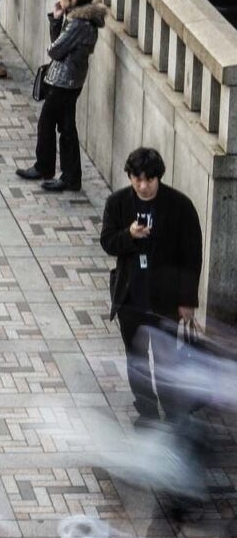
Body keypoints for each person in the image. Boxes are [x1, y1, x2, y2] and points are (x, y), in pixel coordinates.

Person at [99, 147, 202, 423]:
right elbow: (108, 241)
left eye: (149, 180)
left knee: (166, 359)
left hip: (165, 299)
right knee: (137, 359)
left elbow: (192, 257)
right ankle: (147, 411)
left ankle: (173, 411)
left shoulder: (180, 206)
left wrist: (187, 301)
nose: (143, 186)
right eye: (137, 179)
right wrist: (129, 236)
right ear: (130, 177)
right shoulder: (118, 203)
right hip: (131, 297)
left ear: (159, 178)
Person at [18, 0, 105, 193]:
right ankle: (68, 176)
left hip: (65, 82)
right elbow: (59, 44)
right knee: (66, 127)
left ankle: (47, 168)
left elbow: (55, 49)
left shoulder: (80, 23)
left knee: (49, 124)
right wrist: (57, 19)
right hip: (68, 80)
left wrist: (58, 27)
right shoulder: (77, 20)